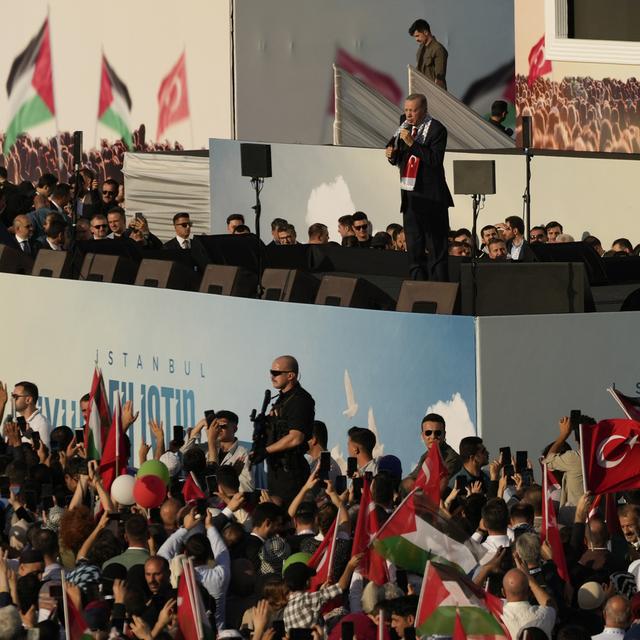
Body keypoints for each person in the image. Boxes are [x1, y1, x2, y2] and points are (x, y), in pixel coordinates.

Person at [385, 93, 453, 281]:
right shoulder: (404, 125)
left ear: (424, 110)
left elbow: (434, 160)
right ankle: (417, 291)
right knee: (414, 251)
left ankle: (440, 293)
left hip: (432, 199)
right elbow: (403, 160)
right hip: (411, 198)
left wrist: (412, 144)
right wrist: (392, 155)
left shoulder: (437, 130)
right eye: (406, 110)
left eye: (413, 110)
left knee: (436, 251)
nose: (408, 114)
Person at [249, 355, 315, 504]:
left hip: (291, 471)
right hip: (276, 470)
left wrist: (266, 451)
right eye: (271, 372)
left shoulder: (300, 400)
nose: (272, 376)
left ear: (291, 375)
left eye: (276, 373)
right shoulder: (281, 399)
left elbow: (296, 437)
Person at [408, 19, 448, 89]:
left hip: (433, 92)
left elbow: (439, 78)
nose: (416, 39)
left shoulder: (438, 49)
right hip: (422, 90)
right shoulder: (421, 48)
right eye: (415, 37)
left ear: (426, 32)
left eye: (417, 36)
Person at [11, 380, 51, 448]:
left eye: (15, 397)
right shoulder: (15, 421)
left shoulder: (41, 423)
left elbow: (44, 455)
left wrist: (32, 436)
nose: (12, 400)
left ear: (28, 400)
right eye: (12, 396)